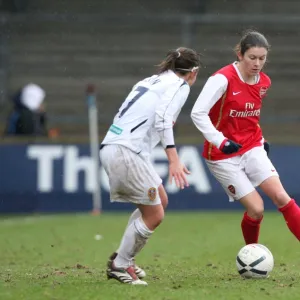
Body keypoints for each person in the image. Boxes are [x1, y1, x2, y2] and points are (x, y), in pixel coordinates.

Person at [100, 47, 201, 285]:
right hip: (127, 151)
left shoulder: (151, 80)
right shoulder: (180, 85)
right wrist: (173, 158)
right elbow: (163, 119)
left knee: (160, 202)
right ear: (193, 72)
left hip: (116, 145)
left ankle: (125, 258)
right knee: (155, 214)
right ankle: (120, 264)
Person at [191, 30, 300, 246]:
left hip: (251, 147)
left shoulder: (264, 82)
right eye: (252, 58)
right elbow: (197, 113)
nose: (257, 63)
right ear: (240, 54)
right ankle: (251, 253)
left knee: (281, 197)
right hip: (222, 155)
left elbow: (250, 115)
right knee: (256, 209)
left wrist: (260, 140)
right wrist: (220, 141)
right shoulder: (222, 79)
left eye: (262, 58)